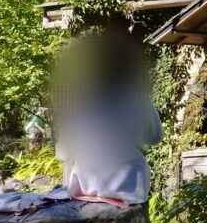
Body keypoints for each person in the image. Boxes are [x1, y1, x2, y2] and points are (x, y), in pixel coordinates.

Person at [52, 24, 162, 206]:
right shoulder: (140, 101)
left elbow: (63, 154)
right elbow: (156, 138)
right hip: (131, 190)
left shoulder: (83, 105)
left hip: (87, 189)